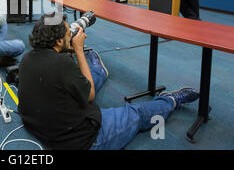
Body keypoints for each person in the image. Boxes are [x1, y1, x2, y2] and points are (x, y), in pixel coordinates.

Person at [18, 12, 200, 150]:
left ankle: (98, 71)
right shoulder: (62, 63)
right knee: (136, 113)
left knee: (77, 81)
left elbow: (64, 77)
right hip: (83, 140)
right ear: (58, 41)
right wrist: (79, 51)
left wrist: (69, 50)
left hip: (42, 127)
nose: (71, 34)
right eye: (68, 33)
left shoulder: (27, 59)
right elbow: (88, 96)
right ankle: (170, 100)